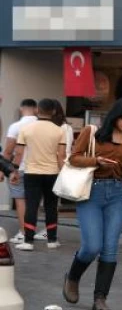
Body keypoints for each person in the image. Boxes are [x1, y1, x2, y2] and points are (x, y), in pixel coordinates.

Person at [61, 98, 122, 310]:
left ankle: (100, 299)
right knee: (92, 246)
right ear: (114, 116)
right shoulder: (92, 132)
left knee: (110, 248)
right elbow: (74, 158)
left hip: (117, 193)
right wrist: (97, 161)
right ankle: (73, 276)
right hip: (91, 192)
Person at [9, 99, 66, 251]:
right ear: (54, 112)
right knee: (51, 206)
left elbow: (19, 153)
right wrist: (63, 174)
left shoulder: (26, 130)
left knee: (32, 206)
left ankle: (28, 241)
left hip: (31, 172)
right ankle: (52, 240)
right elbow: (61, 156)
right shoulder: (60, 131)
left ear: (37, 111)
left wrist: (14, 171)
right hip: (52, 173)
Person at [2, 99, 38, 243]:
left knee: (20, 200)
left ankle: (24, 232)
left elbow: (8, 151)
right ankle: (35, 231)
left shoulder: (16, 126)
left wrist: (2, 169)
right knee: (34, 201)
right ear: (36, 109)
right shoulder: (44, 126)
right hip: (39, 169)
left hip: (20, 168)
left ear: (21, 109)